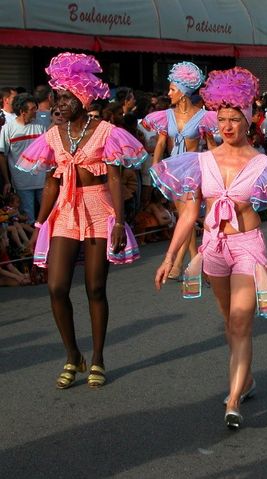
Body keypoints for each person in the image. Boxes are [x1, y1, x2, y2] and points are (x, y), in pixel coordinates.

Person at [152, 67, 267, 430]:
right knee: (229, 321)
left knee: (240, 321)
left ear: (248, 121)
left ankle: (234, 398)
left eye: (234, 119)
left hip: (248, 248)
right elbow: (190, 212)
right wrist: (170, 257)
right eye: (221, 119)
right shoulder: (200, 161)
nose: (227, 126)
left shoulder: (265, 165)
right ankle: (248, 378)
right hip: (212, 247)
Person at [16, 52, 146, 389]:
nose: (60, 104)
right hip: (65, 213)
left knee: (95, 288)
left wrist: (118, 221)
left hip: (99, 209)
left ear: (83, 97)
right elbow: (50, 183)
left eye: (67, 98)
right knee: (57, 286)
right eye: (58, 98)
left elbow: (115, 179)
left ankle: (98, 358)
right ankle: (73, 355)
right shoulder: (53, 136)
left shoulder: (106, 131)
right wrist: (38, 226)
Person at [143, 62, 217, 279]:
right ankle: (195, 262)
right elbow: (160, 143)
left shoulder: (204, 117)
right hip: (173, 169)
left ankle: (183, 263)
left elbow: (211, 145)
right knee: (184, 216)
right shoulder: (166, 115)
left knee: (188, 216)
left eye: (172, 89)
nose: (169, 93)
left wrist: (219, 166)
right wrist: (155, 169)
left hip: (194, 169)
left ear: (183, 92)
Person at [0, 93, 46, 224]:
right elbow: (2, 156)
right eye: (32, 109)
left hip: (42, 181)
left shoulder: (41, 126)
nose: (35, 111)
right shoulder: (7, 129)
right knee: (28, 219)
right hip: (22, 183)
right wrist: (7, 181)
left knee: (47, 217)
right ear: (22, 111)